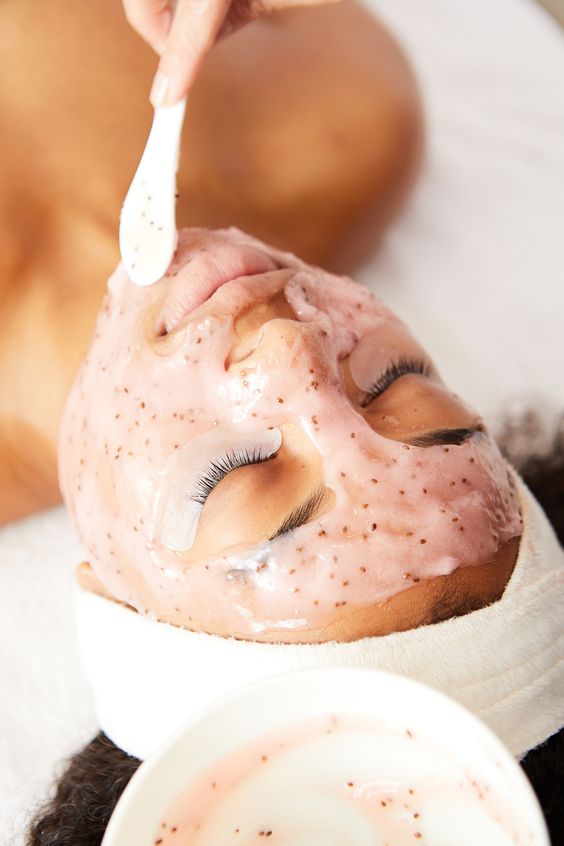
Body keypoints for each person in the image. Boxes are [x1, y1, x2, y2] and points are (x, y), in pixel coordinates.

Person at [29, 227, 564, 844]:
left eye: (230, 473)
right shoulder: (322, 174)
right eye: (393, 381)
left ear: (111, 586)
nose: (291, 343)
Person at [0, 0, 423, 525]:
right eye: (388, 383)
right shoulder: (347, 123)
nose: (286, 346)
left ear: (108, 571)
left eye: (238, 464)